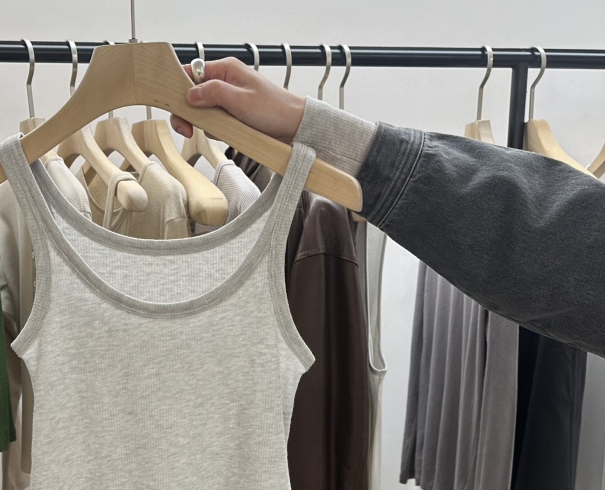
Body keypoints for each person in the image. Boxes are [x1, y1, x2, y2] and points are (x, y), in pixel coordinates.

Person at [171, 58, 605, 358]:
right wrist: (308, 125)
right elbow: (560, 242)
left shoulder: (314, 216)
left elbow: (558, 246)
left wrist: (314, 128)